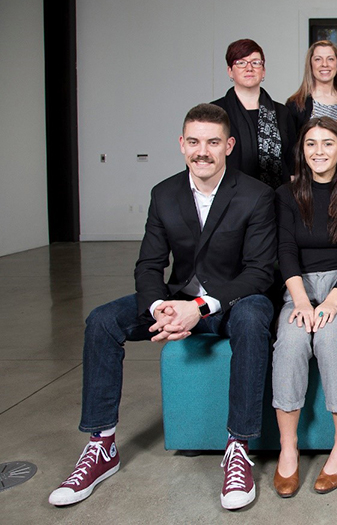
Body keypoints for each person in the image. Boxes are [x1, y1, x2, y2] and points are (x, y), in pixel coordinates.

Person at [49, 104, 276, 510]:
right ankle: (102, 446)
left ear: (229, 145)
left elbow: (260, 271)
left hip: (232, 300)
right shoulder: (164, 193)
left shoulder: (256, 195)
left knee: (255, 314)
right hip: (177, 299)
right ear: (181, 144)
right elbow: (150, 264)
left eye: (211, 142)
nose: (201, 151)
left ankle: (238, 446)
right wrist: (158, 307)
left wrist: (200, 308)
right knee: (102, 321)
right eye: (193, 142)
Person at [271, 117, 337, 497]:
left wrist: (331, 301)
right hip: (299, 286)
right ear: (302, 151)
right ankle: (288, 447)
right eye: (311, 144)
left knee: (329, 340)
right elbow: (285, 250)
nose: (319, 151)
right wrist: (300, 301)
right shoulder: (286, 194)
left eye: (328, 144)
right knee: (292, 341)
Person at [212, 39, 295, 190]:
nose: (249, 68)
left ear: (263, 71)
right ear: (230, 71)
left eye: (256, 62)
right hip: (228, 199)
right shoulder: (214, 112)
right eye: (241, 62)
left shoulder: (282, 112)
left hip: (276, 199)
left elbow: (293, 164)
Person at [285, 41, 337, 132]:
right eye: (318, 59)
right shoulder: (295, 104)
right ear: (310, 66)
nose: (324, 64)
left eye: (330, 59)